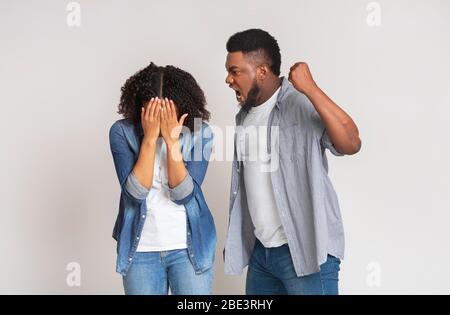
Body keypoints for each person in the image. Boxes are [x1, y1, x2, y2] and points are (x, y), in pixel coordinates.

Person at [223, 29, 362, 295]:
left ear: (262, 71)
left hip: (304, 252)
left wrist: (311, 88)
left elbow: (351, 143)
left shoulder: (300, 103)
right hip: (262, 255)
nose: (228, 79)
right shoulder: (244, 116)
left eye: (235, 71)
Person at [109, 62, 216, 295]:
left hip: (190, 249)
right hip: (140, 251)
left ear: (182, 108)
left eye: (166, 111)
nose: (158, 118)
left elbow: (183, 194)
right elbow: (136, 193)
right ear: (140, 108)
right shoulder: (122, 132)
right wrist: (149, 139)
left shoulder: (201, 133)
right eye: (151, 110)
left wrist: (171, 141)